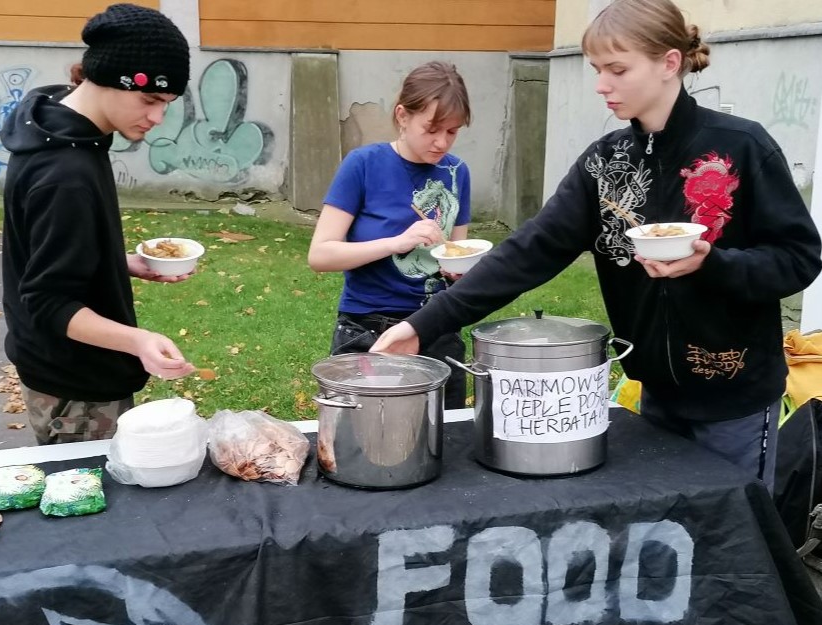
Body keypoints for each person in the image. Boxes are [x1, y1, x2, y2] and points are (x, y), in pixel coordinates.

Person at [371, 0, 822, 491]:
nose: (601, 85)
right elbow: (529, 251)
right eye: (597, 70)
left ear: (669, 63)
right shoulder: (605, 164)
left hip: (735, 399)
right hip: (655, 394)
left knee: (736, 541)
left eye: (617, 69)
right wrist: (425, 324)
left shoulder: (742, 147)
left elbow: (799, 258)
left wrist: (712, 263)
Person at [0, 4, 196, 445]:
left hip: (58, 367)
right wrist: (139, 341)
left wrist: (118, 261)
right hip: (76, 388)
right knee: (91, 504)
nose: (157, 118)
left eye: (166, 104)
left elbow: (44, 250)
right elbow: (48, 302)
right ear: (106, 77)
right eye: (149, 100)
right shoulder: (67, 173)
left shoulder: (58, 124)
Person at [308, 61, 473, 408]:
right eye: (432, 128)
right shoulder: (363, 164)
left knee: (444, 441)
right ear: (402, 116)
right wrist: (397, 243)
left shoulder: (457, 172)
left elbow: (459, 256)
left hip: (436, 326)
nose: (442, 142)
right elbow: (320, 255)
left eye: (453, 131)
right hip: (368, 327)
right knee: (363, 440)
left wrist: (459, 269)